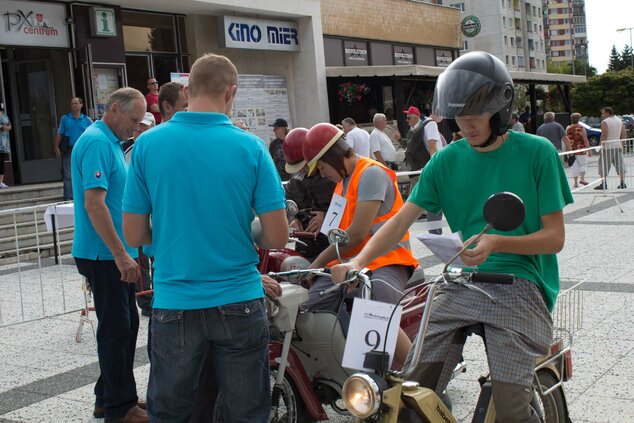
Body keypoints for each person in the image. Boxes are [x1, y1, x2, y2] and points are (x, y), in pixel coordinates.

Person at [331, 51, 573, 423]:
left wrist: (498, 242)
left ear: (501, 108)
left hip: (521, 283)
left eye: (477, 113)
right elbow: (398, 222)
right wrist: (357, 261)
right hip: (462, 282)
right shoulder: (445, 160)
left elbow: (554, 238)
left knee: (512, 409)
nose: (467, 124)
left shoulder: (537, 153)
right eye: (459, 115)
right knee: (408, 391)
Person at [122, 53, 288, 423]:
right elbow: (276, 234)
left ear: (186, 89)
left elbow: (133, 232)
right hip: (240, 298)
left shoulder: (148, 145)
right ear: (231, 92)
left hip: (174, 299)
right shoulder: (251, 148)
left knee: (172, 412)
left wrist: (167, 238)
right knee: (246, 412)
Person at [301, 122, 419, 365]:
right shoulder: (341, 184)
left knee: (375, 303)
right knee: (307, 305)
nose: (323, 174)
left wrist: (317, 263)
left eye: (322, 167)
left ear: (332, 157)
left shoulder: (371, 173)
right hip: (348, 263)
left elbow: (356, 234)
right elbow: (338, 233)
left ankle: (420, 380)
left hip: (387, 259)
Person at [71, 87, 148, 423]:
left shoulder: (110, 141)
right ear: (115, 109)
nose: (136, 127)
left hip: (113, 252)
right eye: (133, 119)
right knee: (118, 328)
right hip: (104, 255)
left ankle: (108, 396)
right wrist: (120, 255)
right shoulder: (98, 142)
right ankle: (120, 407)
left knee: (126, 324)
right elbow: (93, 204)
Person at [283, 127, 336, 260]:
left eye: (304, 165)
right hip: (305, 246)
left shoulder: (334, 178)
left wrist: (327, 217)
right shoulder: (294, 182)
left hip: (335, 246)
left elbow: (350, 206)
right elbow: (286, 204)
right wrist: (292, 219)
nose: (301, 170)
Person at [54, 97, 93, 200]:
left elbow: (94, 134)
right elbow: (60, 133)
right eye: (72, 104)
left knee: (84, 173)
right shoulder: (65, 119)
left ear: (81, 105)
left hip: (83, 151)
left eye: (76, 103)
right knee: (68, 175)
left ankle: (83, 196)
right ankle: (69, 198)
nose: (74, 105)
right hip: (69, 150)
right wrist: (56, 147)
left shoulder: (87, 120)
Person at [595, 106, 627, 190]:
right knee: (620, 164)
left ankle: (604, 183)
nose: (602, 115)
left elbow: (604, 135)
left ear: (607, 113)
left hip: (607, 147)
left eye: (603, 113)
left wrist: (600, 146)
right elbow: (623, 134)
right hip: (617, 145)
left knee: (603, 165)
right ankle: (622, 182)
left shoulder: (605, 122)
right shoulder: (620, 120)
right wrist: (622, 144)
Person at [566, 113, 591, 188]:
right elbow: (585, 139)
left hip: (571, 149)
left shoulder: (568, 128)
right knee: (583, 164)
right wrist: (589, 149)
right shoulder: (581, 128)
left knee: (574, 165)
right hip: (581, 149)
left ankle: (575, 183)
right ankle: (582, 179)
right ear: (579, 119)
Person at [0, 106, 12, 189]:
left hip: (3, 142)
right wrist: (3, 127)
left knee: (1, 161)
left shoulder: (4, 115)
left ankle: (0, 182)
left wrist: (4, 127)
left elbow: (9, 127)